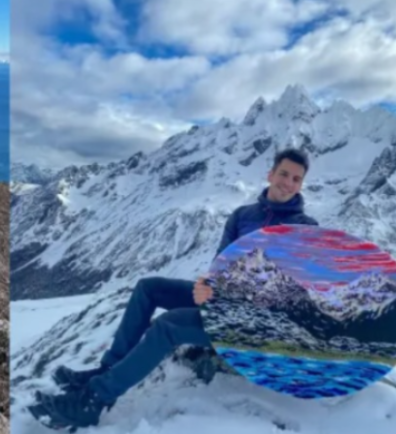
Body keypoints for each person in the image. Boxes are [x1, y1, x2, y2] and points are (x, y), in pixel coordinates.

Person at [32, 148, 318, 430]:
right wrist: (208, 286)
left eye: (296, 179)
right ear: (270, 174)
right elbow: (220, 263)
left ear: (301, 185)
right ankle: (108, 370)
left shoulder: (306, 228)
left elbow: (294, 288)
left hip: (255, 322)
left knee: (168, 326)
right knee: (148, 288)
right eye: (284, 174)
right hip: (224, 302)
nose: (288, 183)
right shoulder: (242, 215)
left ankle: (94, 401)